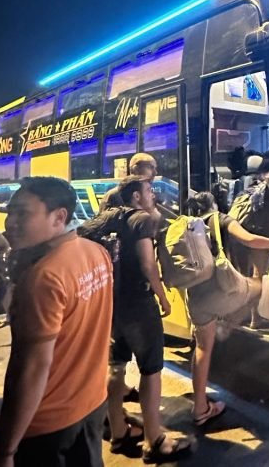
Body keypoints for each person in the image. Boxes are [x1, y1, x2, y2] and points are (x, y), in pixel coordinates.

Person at [0, 177, 113, 467]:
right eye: (10, 212)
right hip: (92, 403)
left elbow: (31, 368)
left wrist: (4, 450)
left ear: (59, 217)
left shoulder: (43, 277)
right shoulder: (97, 253)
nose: (10, 223)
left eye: (23, 213)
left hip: (48, 423)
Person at [105, 175, 194, 462]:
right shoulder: (141, 219)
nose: (153, 194)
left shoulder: (112, 218)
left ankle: (118, 431)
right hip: (138, 304)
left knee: (116, 365)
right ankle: (154, 440)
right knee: (150, 369)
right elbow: (147, 263)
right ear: (135, 197)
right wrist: (163, 296)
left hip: (114, 303)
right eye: (148, 190)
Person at [185, 192, 269, 426]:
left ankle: (200, 408)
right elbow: (249, 240)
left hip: (194, 297)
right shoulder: (219, 219)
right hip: (219, 292)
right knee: (258, 286)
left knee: (202, 349)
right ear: (213, 204)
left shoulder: (187, 224)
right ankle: (228, 325)